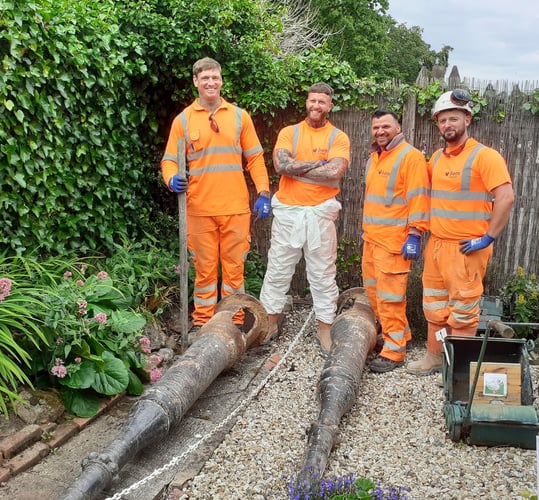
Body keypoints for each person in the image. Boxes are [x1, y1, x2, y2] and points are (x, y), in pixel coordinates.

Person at [406, 89, 515, 375]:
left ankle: (458, 368)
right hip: (438, 246)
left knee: (463, 314)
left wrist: (488, 237)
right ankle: (434, 356)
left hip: (468, 249)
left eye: (453, 119)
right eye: (442, 121)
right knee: (435, 307)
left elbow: (506, 197)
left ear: (467, 119)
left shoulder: (485, 157)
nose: (447, 126)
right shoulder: (437, 160)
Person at [160, 57, 271, 333]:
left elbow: (255, 158)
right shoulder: (183, 121)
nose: (211, 82)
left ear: (221, 81)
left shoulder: (238, 116)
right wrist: (171, 179)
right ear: (196, 82)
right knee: (205, 272)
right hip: (198, 209)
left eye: (215, 78)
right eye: (205, 78)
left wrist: (264, 192)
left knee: (234, 271)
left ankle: (233, 325)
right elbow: (169, 160)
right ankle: (203, 325)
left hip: (235, 208)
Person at [259, 82, 350, 353]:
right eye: (312, 101)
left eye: (321, 102)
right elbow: (280, 165)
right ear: (306, 102)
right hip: (289, 212)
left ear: (330, 105)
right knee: (277, 269)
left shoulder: (338, 137)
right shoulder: (290, 133)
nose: (316, 106)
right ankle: (271, 322)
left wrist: (296, 169)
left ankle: (325, 328)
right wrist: (315, 165)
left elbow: (334, 172)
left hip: (320, 214)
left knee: (323, 273)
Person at [362, 110, 430, 373]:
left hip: (395, 242)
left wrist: (414, 234)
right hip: (372, 238)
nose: (380, 131)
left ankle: (394, 350)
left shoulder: (410, 157)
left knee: (390, 298)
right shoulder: (374, 158)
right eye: (376, 127)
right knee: (375, 294)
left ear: (398, 128)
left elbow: (418, 198)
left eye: (386, 126)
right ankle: (401, 335)